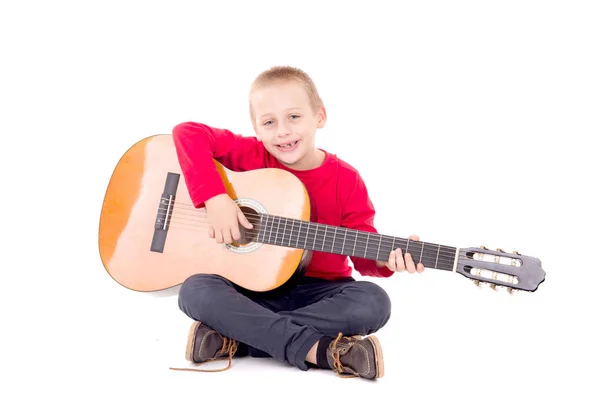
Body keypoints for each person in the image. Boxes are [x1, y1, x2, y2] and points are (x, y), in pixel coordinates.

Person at [169, 66, 425, 380]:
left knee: (374, 302)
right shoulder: (251, 156)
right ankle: (321, 350)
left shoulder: (345, 179)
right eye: (269, 122)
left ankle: (236, 336)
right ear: (256, 128)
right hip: (251, 290)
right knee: (195, 289)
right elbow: (187, 132)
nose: (282, 132)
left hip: (321, 293)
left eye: (294, 117)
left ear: (319, 117)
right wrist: (214, 198)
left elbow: (362, 251)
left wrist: (386, 258)